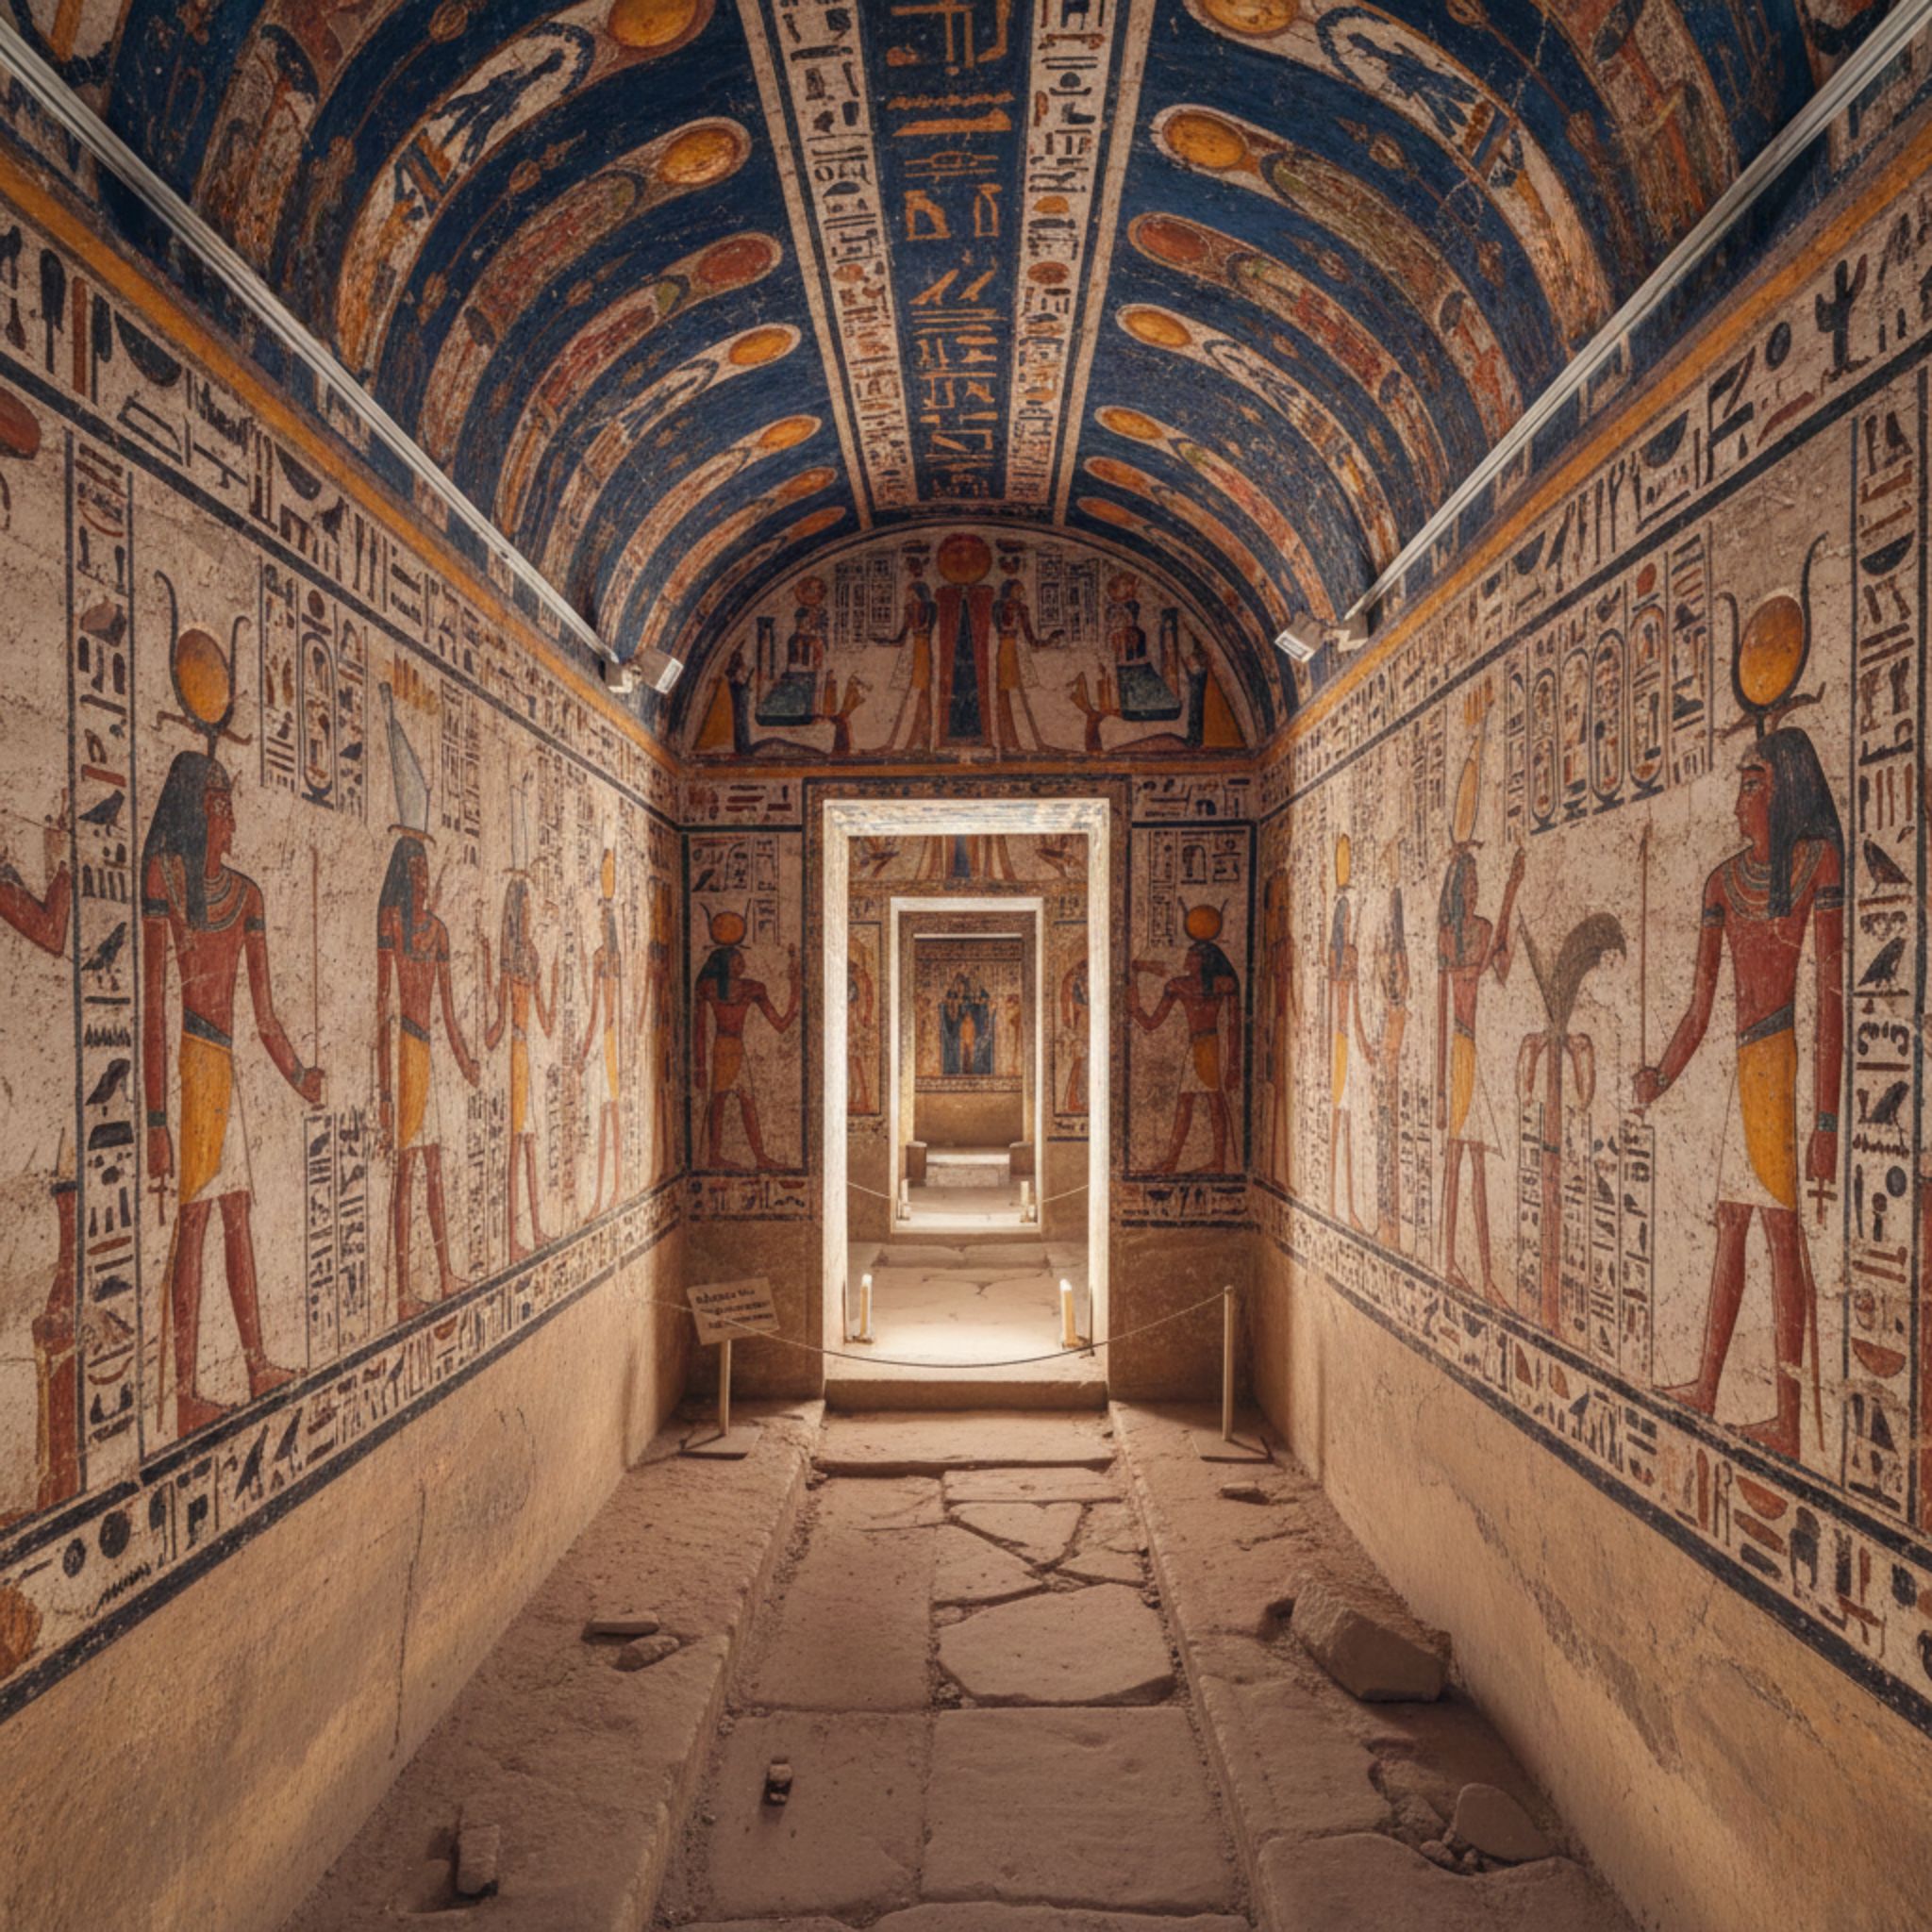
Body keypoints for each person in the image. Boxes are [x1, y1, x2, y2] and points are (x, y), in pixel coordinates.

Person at [1635, 729, 1843, 1456]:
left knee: (1781, 1233)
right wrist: (1659, 1075)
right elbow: (1699, 1008)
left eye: (1751, 782)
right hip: (1746, 1069)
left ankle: (1786, 1420)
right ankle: (1708, 1386)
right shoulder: (1722, 883)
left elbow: (1833, 999)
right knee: (1731, 1220)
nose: (1738, 799)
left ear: (1783, 788)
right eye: (1740, 783)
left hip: (1779, 1064)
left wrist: (1826, 1122)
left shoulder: (1819, 863)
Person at [142, 753, 324, 1437]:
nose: (231, 821)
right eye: (221, 808)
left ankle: (253, 1364)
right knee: (194, 1219)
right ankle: (185, 1391)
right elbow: (154, 1007)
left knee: (237, 1210)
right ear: (198, 811)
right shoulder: (165, 878)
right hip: (193, 1066)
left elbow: (266, 1014)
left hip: (224, 1069)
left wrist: (299, 1074)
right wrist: (157, 1118)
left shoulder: (247, 895)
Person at [376, 832, 479, 1318]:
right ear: (402, 876)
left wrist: (465, 1061)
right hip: (403, 1051)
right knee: (406, 1172)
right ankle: (400, 1292)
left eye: (424, 873)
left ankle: (443, 1273)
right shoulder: (391, 923)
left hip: (428, 1054)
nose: (421, 881)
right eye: (414, 872)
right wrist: (382, 1093)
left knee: (434, 1165)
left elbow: (450, 1010)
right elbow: (381, 1005)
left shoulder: (437, 932)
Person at [481, 788, 557, 1261]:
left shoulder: (529, 956)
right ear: (514, 911)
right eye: (524, 907)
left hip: (528, 1050)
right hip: (514, 1052)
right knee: (515, 1144)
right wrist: (491, 969)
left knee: (529, 1142)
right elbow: (499, 1021)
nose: (529, 913)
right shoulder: (512, 961)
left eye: (531, 907)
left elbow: (547, 1022)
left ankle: (534, 1228)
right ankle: (511, 1238)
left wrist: (555, 980)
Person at [1128, 905, 1241, 1174]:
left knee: (1205, 1102)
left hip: (1208, 1047)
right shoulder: (1184, 985)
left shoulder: (1210, 985)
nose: (1186, 962)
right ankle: (1187, 1161)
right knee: (1197, 1102)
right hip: (1200, 1047)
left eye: (1191, 958)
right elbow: (1152, 1023)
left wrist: (1234, 1063)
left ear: (1203, 961)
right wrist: (1134, 1005)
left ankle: (1209, 1161)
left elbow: (1236, 1025)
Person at [694, 909, 799, 1170]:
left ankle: (757, 1157)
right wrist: (699, 1066)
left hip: (729, 1049)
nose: (743, 964)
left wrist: (795, 989)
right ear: (726, 963)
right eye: (738, 959)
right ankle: (721, 1157)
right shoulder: (712, 987)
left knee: (737, 1102)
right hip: (725, 1050)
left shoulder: (751, 988)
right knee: (723, 1103)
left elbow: (780, 1024)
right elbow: (697, 1029)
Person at [576, 848, 625, 1216]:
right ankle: (609, 1194)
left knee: (608, 1114)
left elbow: (598, 1012)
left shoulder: (602, 959)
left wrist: (582, 1051)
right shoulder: (610, 959)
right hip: (614, 1041)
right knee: (609, 1114)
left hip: (608, 1041)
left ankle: (609, 1194)